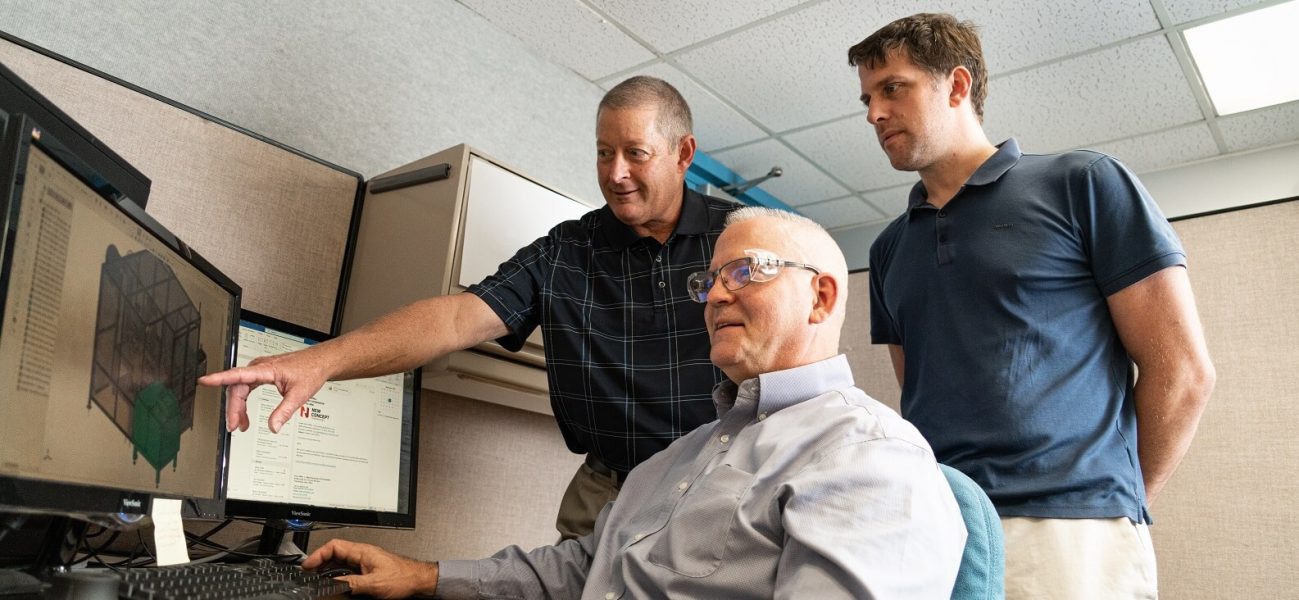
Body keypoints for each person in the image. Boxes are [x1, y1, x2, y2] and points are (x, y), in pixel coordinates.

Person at [302, 206, 967, 599]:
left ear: (821, 297)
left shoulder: (869, 460)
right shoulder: (680, 455)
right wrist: (421, 576)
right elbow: (582, 567)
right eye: (709, 279)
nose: (714, 295)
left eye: (746, 272)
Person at [198, 76, 737, 540]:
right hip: (609, 488)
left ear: (683, 154)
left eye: (635, 153)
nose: (614, 173)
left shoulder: (740, 236)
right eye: (603, 152)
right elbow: (456, 317)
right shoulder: (568, 249)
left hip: (719, 482)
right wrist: (319, 361)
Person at [848, 13, 1217, 599]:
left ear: (958, 85)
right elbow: (917, 391)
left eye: (893, 87)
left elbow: (1184, 373)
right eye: (867, 98)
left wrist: (1115, 505)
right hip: (940, 528)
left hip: (1070, 529)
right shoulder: (889, 248)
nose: (874, 113)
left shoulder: (1083, 183)